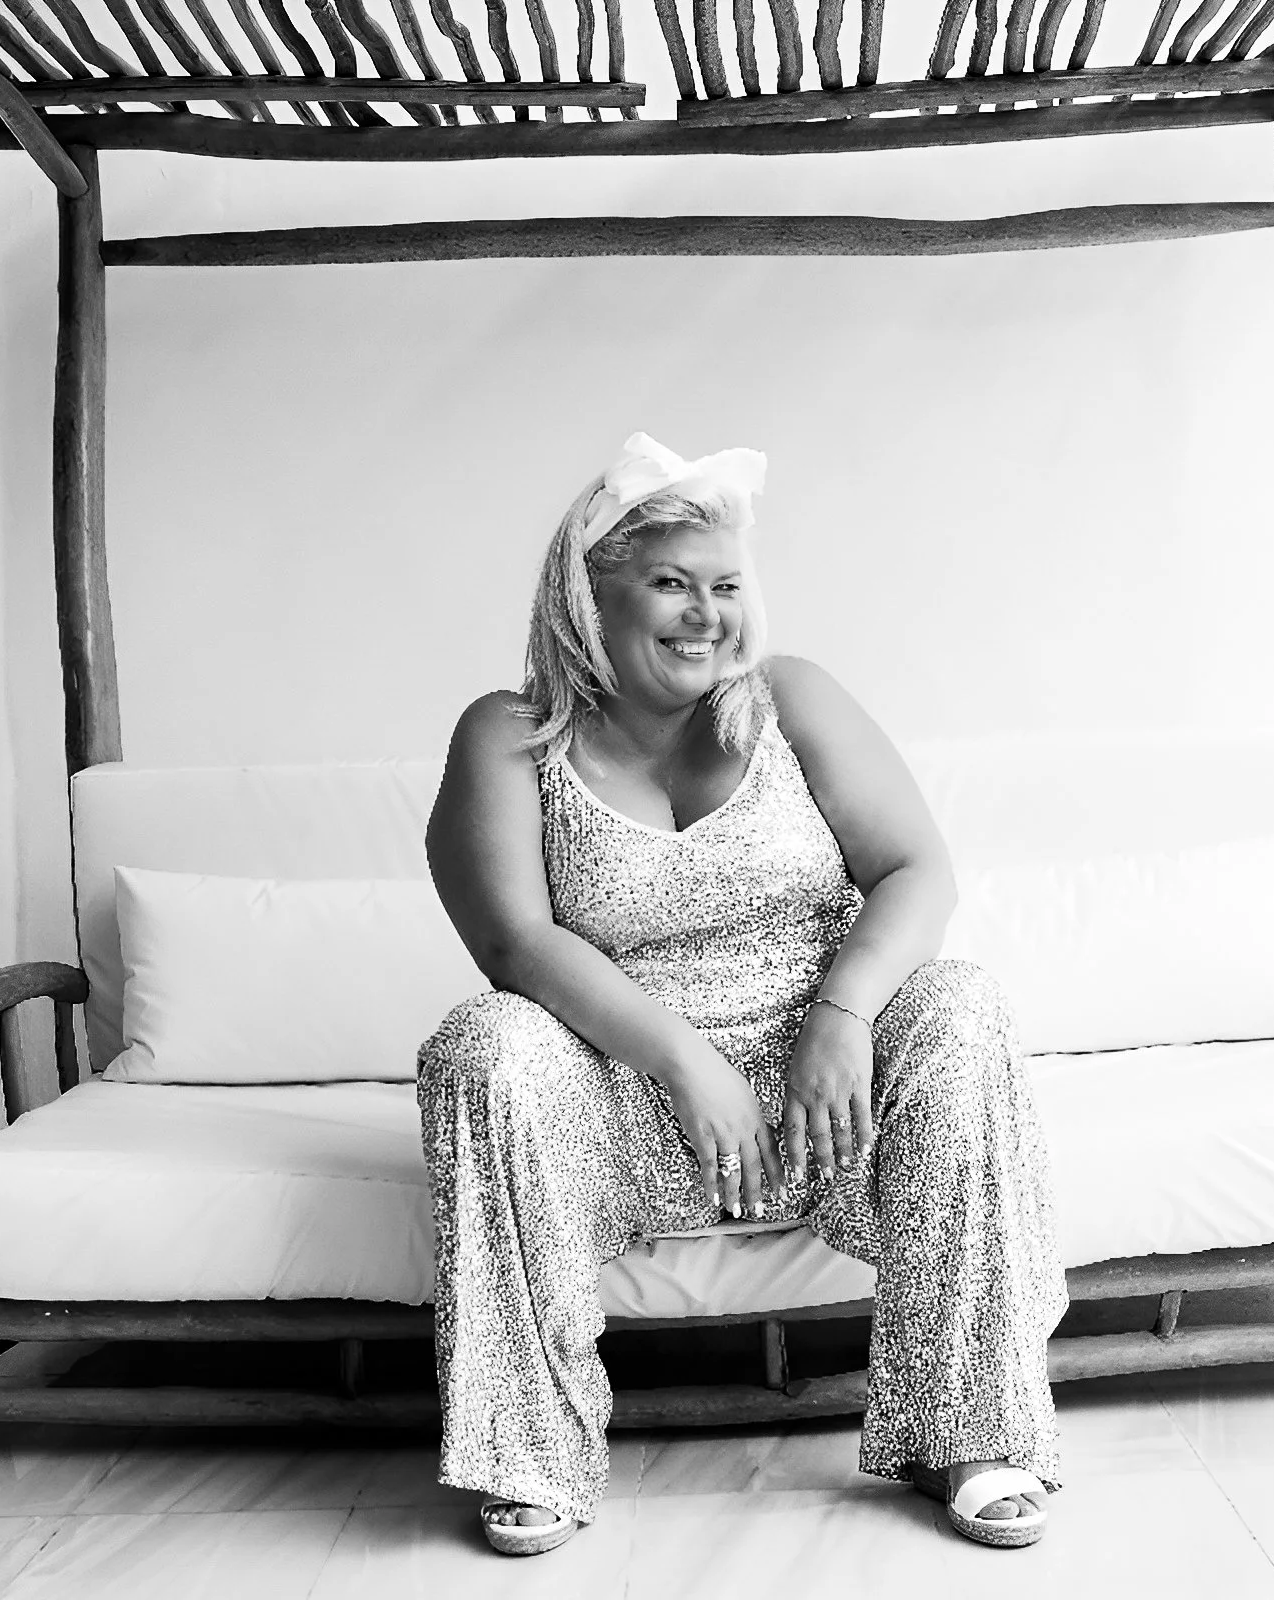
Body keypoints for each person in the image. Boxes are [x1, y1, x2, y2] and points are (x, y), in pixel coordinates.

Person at [418, 432, 1068, 1556]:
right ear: (587, 600)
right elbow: (515, 943)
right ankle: (531, 1450)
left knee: (960, 1004)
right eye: (670, 583)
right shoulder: (509, 736)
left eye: (724, 585)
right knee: (483, 1043)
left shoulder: (790, 701)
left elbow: (919, 870)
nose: (704, 613)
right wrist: (685, 1062)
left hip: (833, 1097)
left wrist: (844, 1013)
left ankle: (970, 1431)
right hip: (628, 1105)